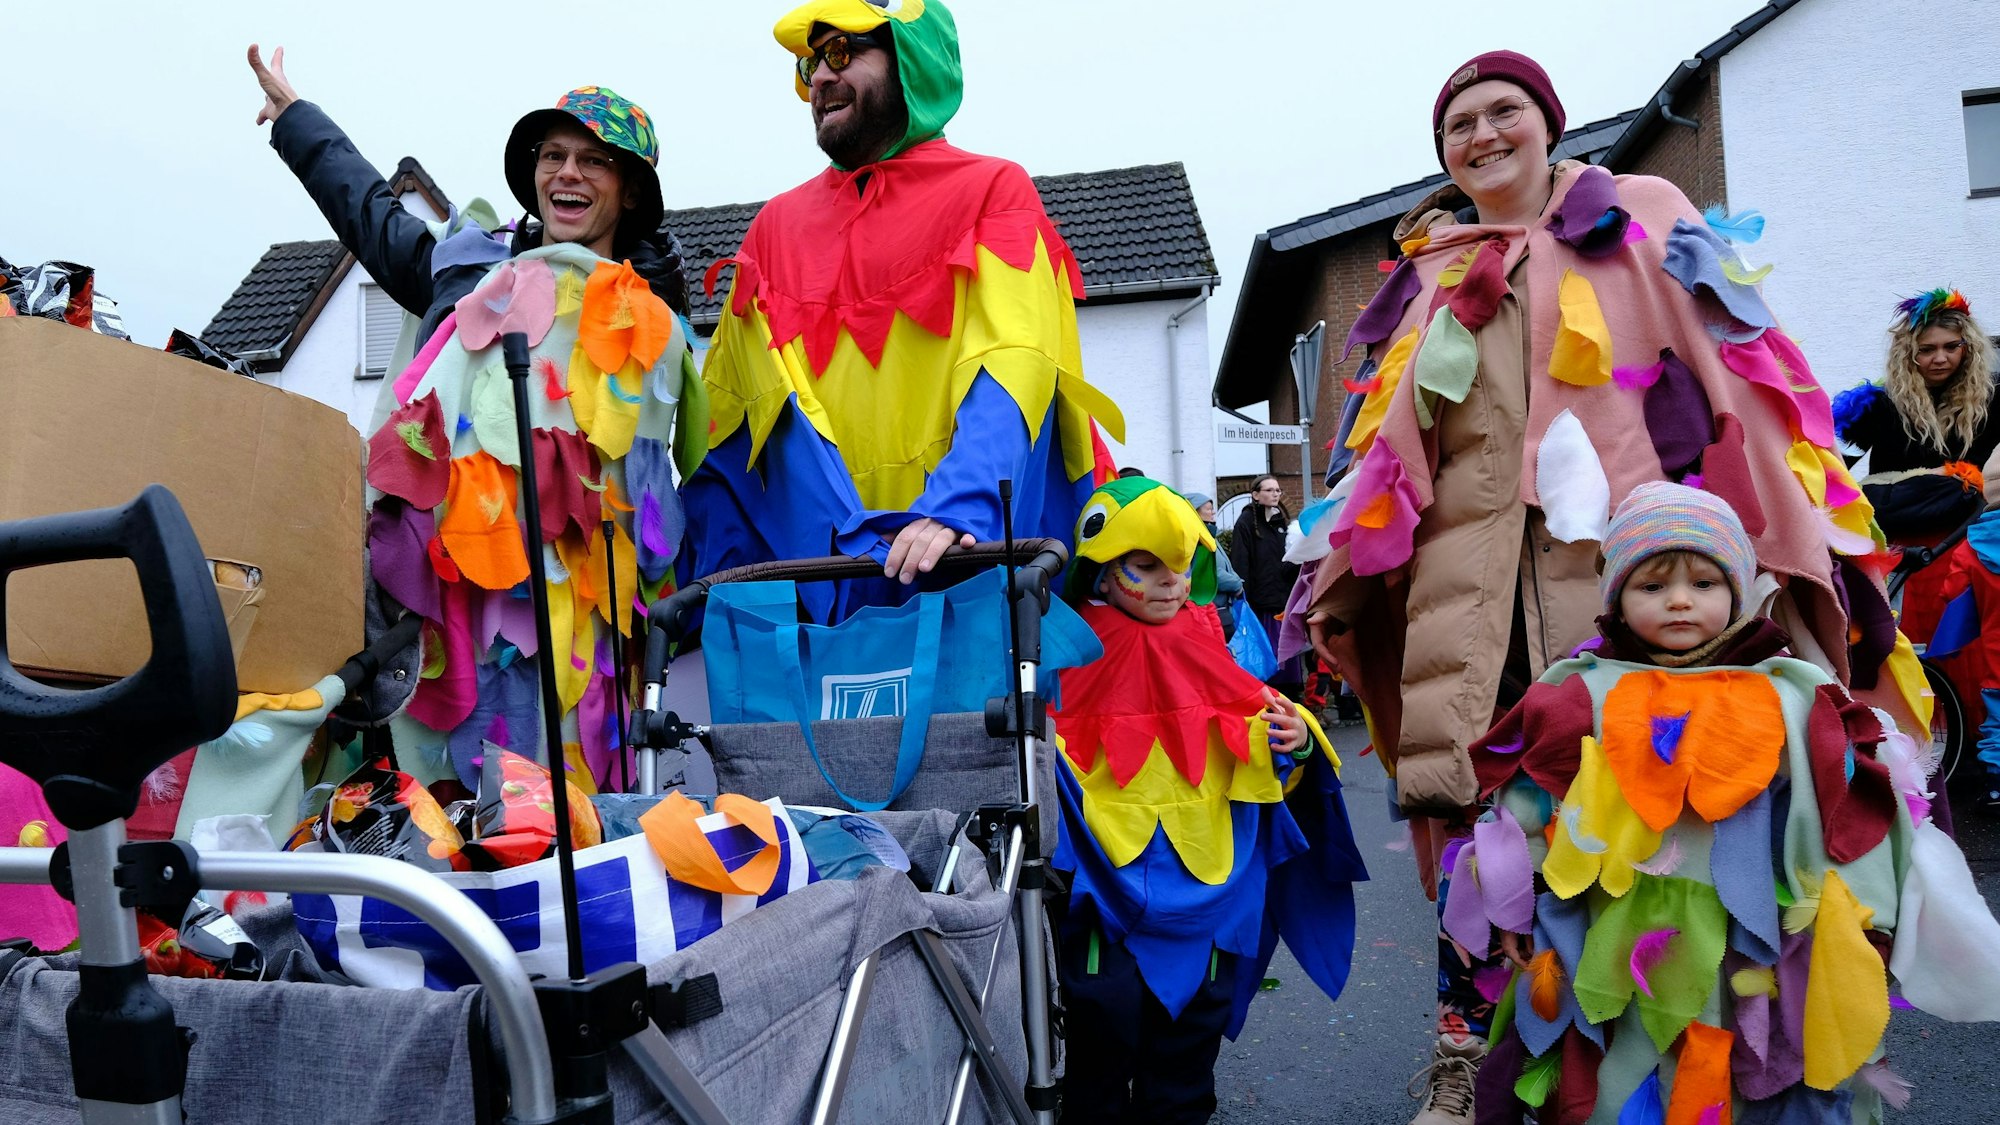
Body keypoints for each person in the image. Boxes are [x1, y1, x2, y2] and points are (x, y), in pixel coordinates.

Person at [1301, 50, 1926, 1125]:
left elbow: (1734, 362)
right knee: (1476, 829)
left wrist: (1770, 534)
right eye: (1458, 124)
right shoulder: (1437, 269)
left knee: (1636, 831)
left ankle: (1649, 1058)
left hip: (1625, 594)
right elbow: (1390, 453)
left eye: (1504, 112)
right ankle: (1468, 1062)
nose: (1482, 135)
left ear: (1548, 124)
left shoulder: (1637, 214)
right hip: (1468, 596)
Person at [1449, 482, 2000, 1120]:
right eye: (1652, 587)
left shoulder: (1794, 695)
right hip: (1613, 937)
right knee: (1626, 1076)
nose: (1680, 601)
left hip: (1757, 938)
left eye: (1704, 584)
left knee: (1754, 1072)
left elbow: (1849, 809)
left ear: (1737, 591)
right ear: (1618, 599)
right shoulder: (1579, 693)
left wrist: (1867, 919)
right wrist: (1514, 910)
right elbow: (1530, 802)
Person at [249, 47, 701, 790]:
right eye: (552, 155)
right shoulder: (471, 274)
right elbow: (375, 217)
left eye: (594, 160)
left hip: (590, 619)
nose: (566, 173)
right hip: (462, 597)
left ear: (630, 191)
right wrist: (298, 121)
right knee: (458, 793)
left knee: (578, 794)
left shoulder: (656, 322)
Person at [680, 0, 1123, 623]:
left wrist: (958, 508)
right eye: (812, 64)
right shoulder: (773, 228)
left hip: (961, 572)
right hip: (817, 592)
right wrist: (700, 576)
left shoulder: (993, 189)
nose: (822, 78)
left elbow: (1015, 361)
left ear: (912, 60)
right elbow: (730, 418)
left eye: (842, 53)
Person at [1048, 477, 1364, 1123]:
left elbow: (1266, 749)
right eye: (1145, 563)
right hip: (1104, 912)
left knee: (1184, 1076)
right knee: (1097, 1071)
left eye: (1179, 564)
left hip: (1206, 904)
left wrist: (1298, 740)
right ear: (1101, 572)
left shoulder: (1208, 644)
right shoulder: (1066, 656)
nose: (1167, 580)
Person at [1833, 289, 1999, 642]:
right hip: (1897, 544)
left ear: (1967, 348)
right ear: (1909, 354)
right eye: (1927, 349)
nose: (1940, 358)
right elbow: (1832, 467)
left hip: (1963, 540)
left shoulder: (1992, 402)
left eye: (1951, 347)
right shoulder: (1878, 405)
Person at [1227, 476, 1302, 694]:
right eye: (1269, 490)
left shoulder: (1281, 524)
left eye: (1277, 490)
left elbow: (1284, 563)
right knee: (1268, 661)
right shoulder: (1246, 523)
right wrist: (1244, 599)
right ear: (1256, 495)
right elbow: (1241, 563)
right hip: (1261, 605)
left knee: (1287, 662)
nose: (1275, 494)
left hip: (1282, 601)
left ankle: (1292, 705)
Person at [1185, 491, 1243, 635]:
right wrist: (1236, 584)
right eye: (1209, 509)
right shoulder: (1198, 538)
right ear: (1195, 511)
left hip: (1221, 607)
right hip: (1213, 607)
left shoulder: (1209, 534)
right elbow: (1210, 571)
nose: (1213, 512)